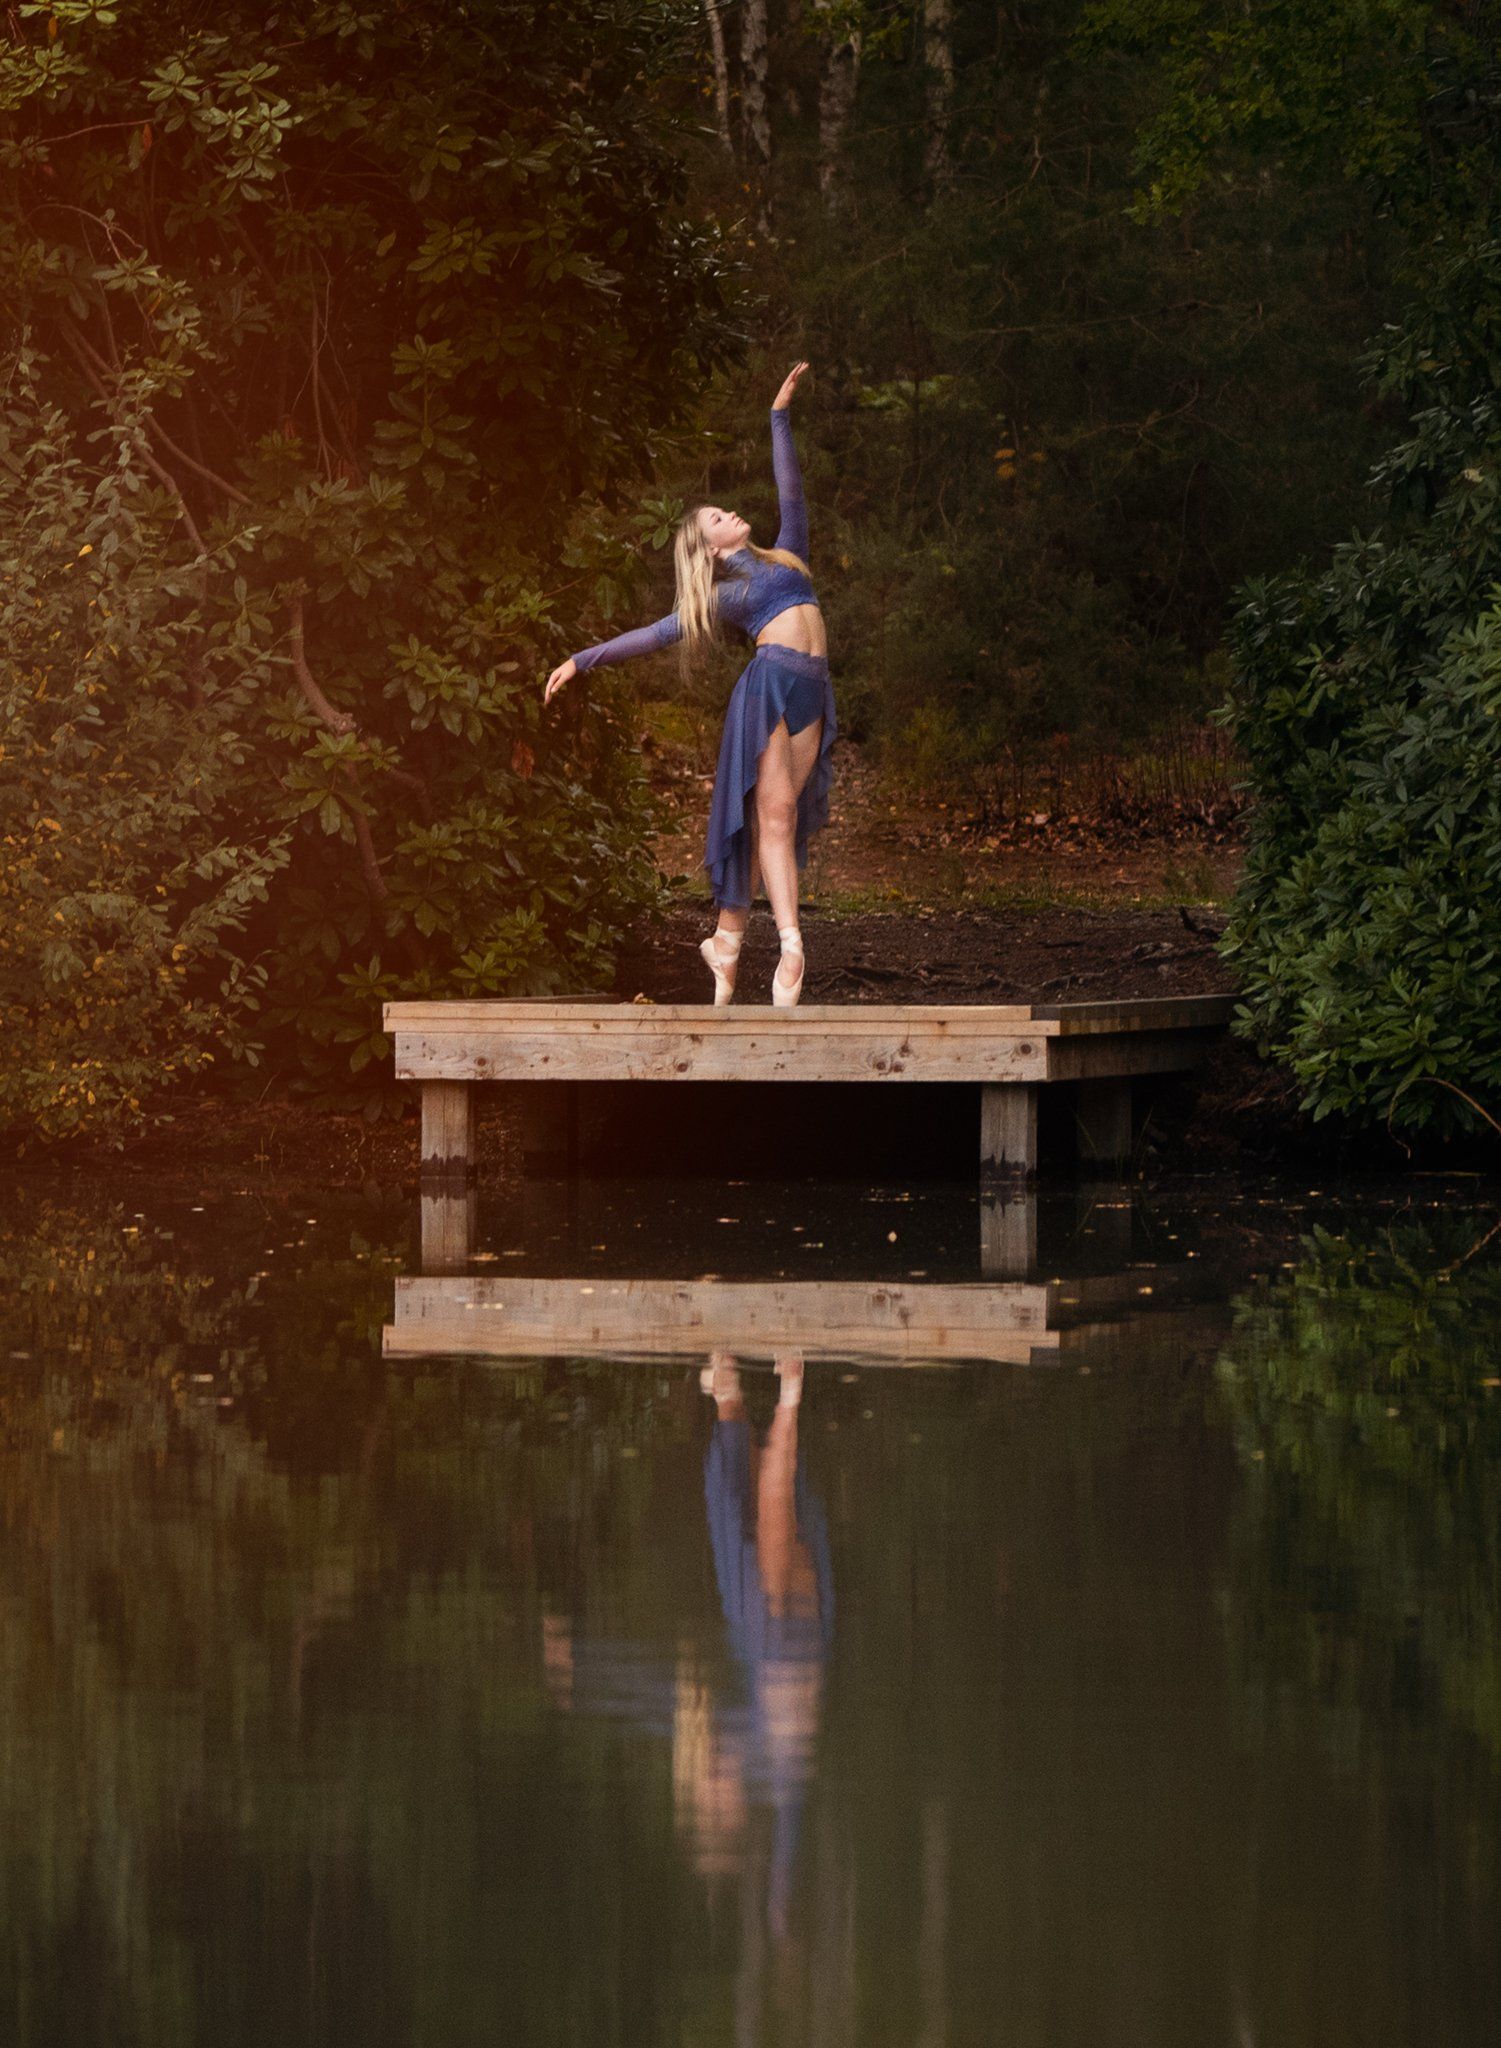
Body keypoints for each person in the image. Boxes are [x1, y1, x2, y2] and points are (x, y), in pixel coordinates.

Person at [543, 362, 835, 1008]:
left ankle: (726, 944)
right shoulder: (729, 594)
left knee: (776, 824)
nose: (730, 513)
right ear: (708, 550)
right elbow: (656, 633)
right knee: (777, 816)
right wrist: (580, 659)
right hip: (769, 691)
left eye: (723, 510)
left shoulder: (787, 555)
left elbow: (792, 492)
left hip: (812, 689)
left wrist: (778, 414)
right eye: (716, 519)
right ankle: (789, 943)